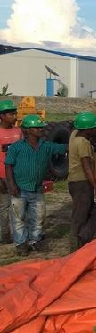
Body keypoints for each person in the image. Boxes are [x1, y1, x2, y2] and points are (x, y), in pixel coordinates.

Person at [4, 114, 68, 255]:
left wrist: (77, 138)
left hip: (37, 188)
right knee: (18, 218)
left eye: (41, 127)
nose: (40, 129)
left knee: (39, 216)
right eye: (37, 127)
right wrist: (11, 185)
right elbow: (8, 165)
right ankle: (21, 244)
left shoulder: (46, 146)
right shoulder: (16, 147)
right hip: (19, 188)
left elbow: (64, 148)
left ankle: (35, 240)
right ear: (27, 130)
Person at [67, 112, 96, 251]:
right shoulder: (83, 143)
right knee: (80, 216)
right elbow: (87, 168)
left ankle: (82, 240)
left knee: (94, 215)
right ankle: (75, 244)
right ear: (88, 130)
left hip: (75, 182)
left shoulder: (74, 134)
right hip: (82, 183)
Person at [0, 100, 23, 245]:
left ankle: (19, 234)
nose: (15, 116)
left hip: (17, 175)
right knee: (4, 206)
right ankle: (5, 235)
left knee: (19, 205)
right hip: (2, 176)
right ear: (2, 116)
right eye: (11, 114)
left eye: (15, 113)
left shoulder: (18, 131)